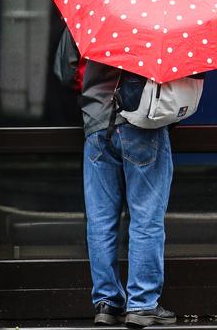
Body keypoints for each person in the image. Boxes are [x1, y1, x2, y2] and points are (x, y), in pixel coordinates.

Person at [54, 27, 177, 327]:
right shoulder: (158, 13)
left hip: (96, 126)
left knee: (100, 219)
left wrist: (97, 89)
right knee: (146, 216)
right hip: (143, 123)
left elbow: (65, 71)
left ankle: (107, 303)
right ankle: (143, 304)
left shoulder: (89, 14)